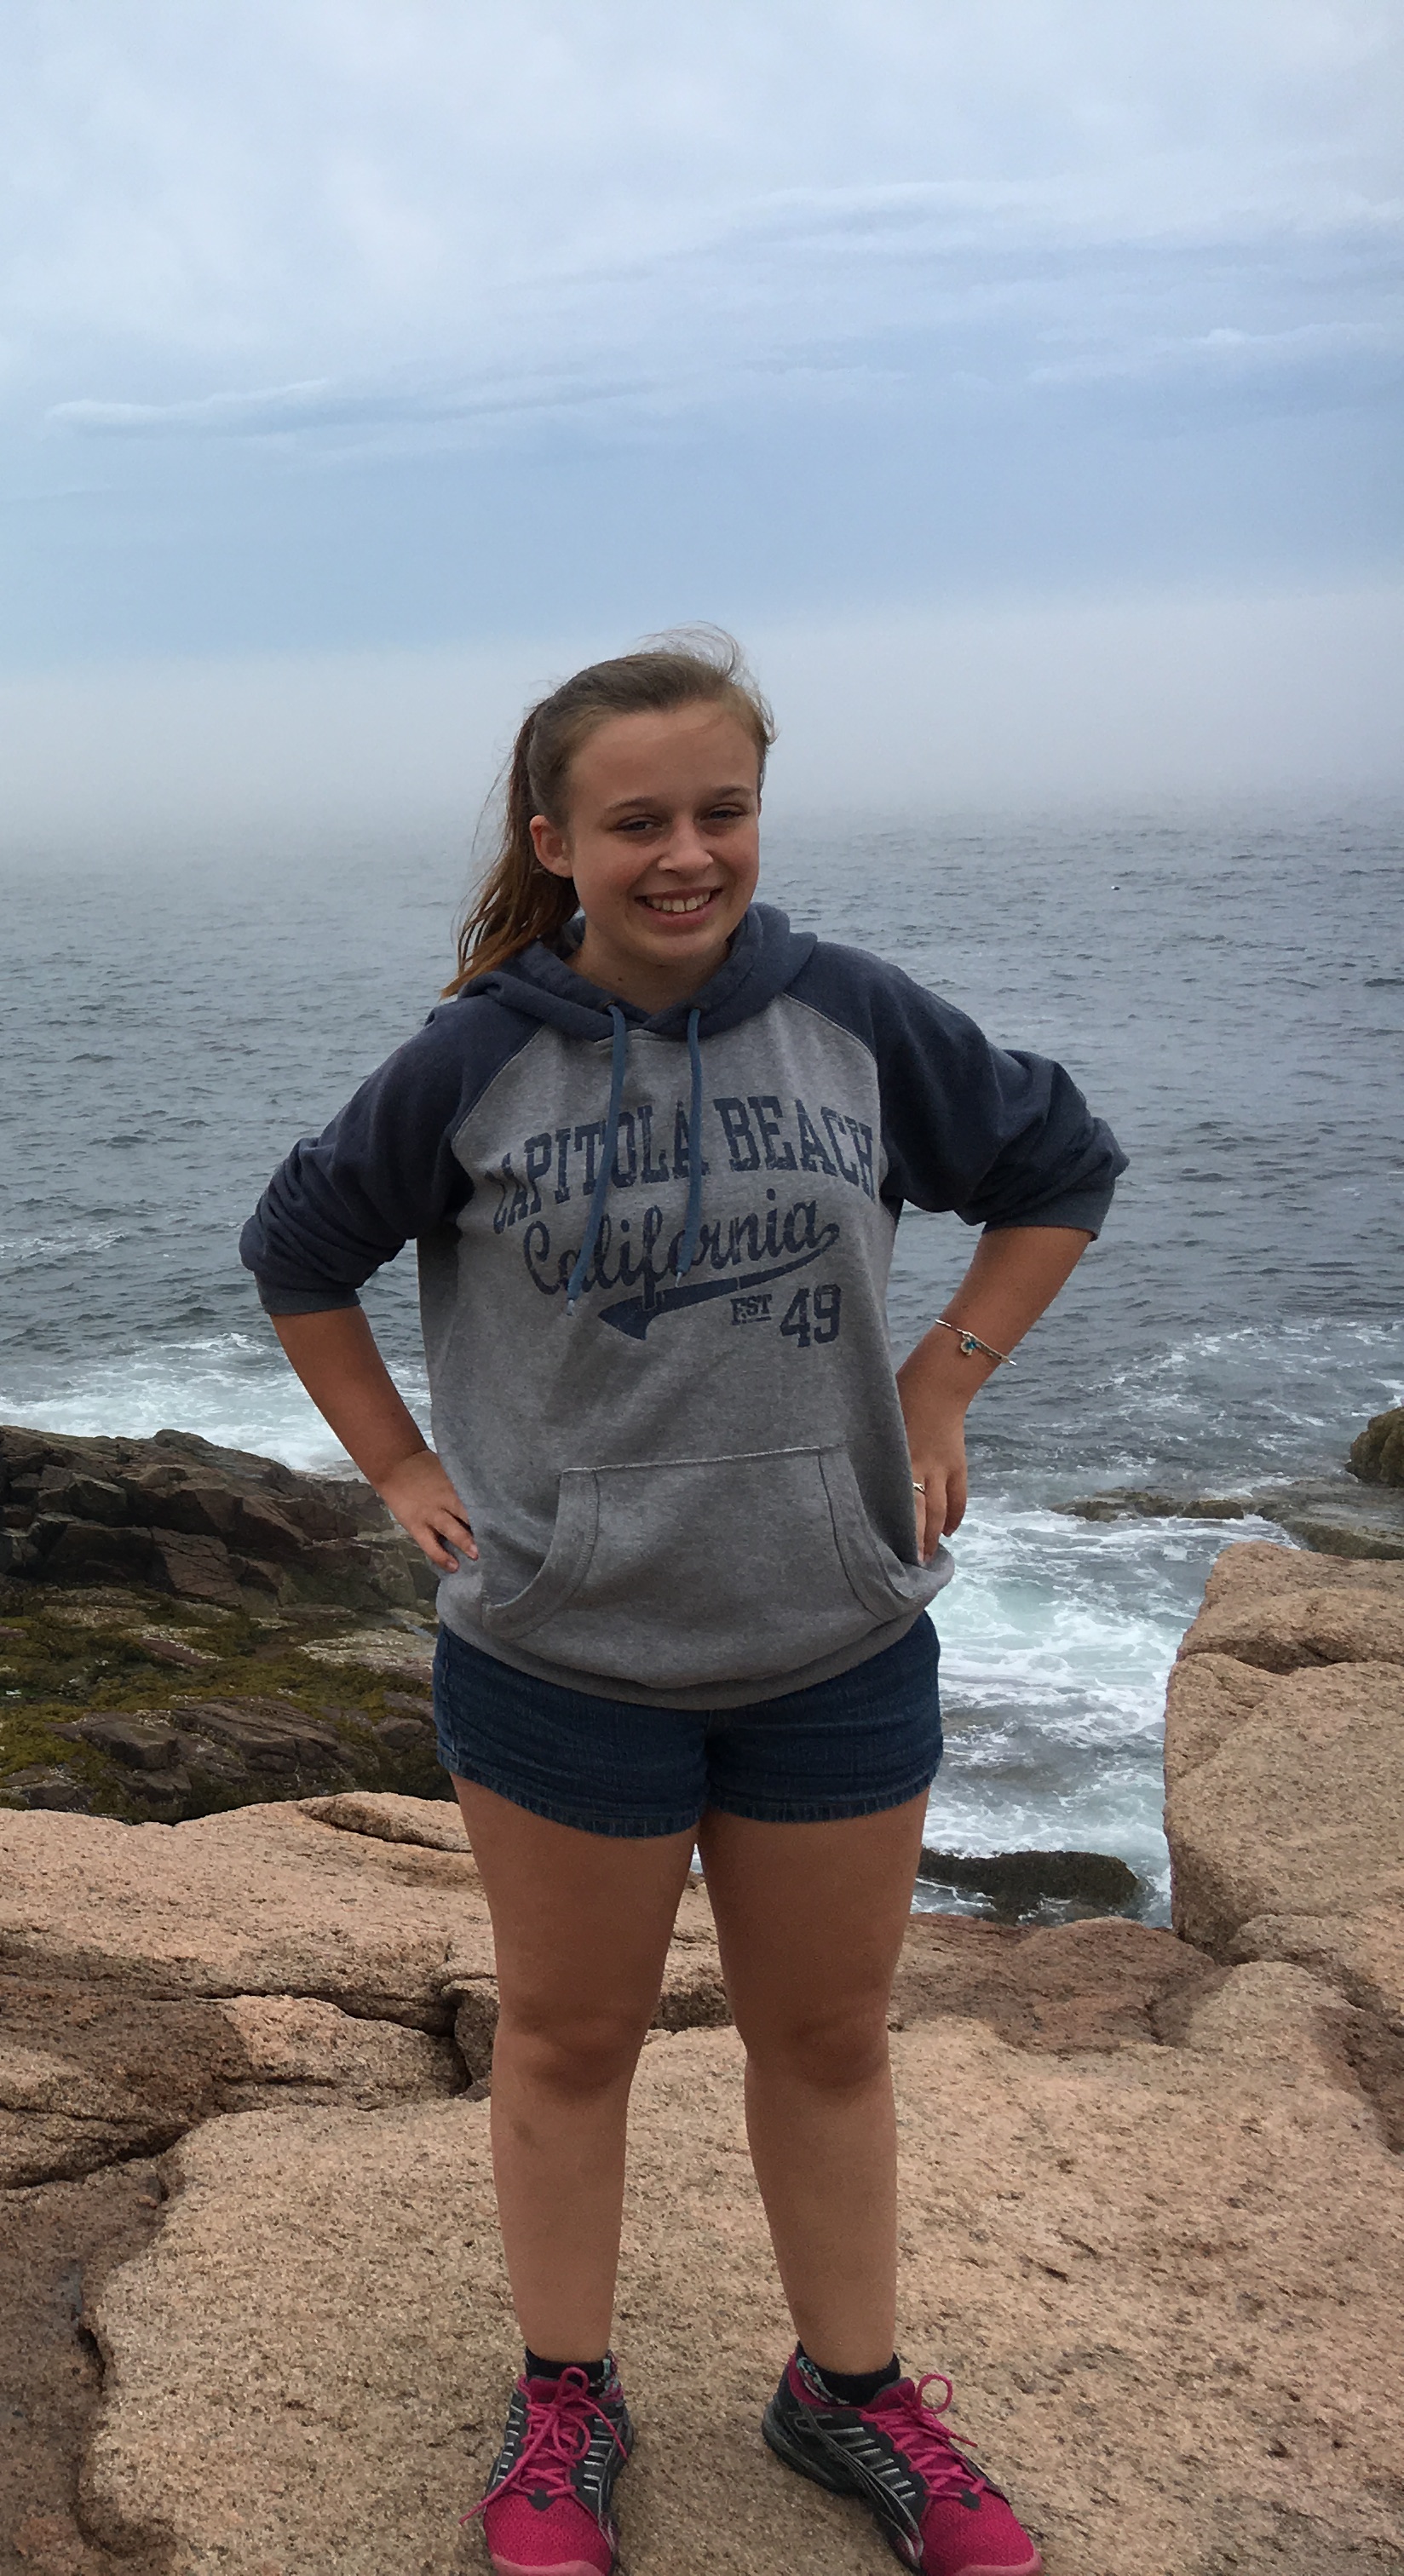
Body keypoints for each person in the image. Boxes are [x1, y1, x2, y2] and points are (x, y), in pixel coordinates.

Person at [241, 634, 1116, 2576]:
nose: (686, 854)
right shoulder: (479, 1055)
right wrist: (399, 1469)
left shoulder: (862, 1021)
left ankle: (853, 2392)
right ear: (557, 841)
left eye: (722, 812)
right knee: (569, 2044)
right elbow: (297, 1249)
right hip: (565, 1656)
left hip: (834, 1640)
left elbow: (1059, 1166)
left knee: (830, 2042)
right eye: (638, 822)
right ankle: (567, 2398)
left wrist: (943, 1379)